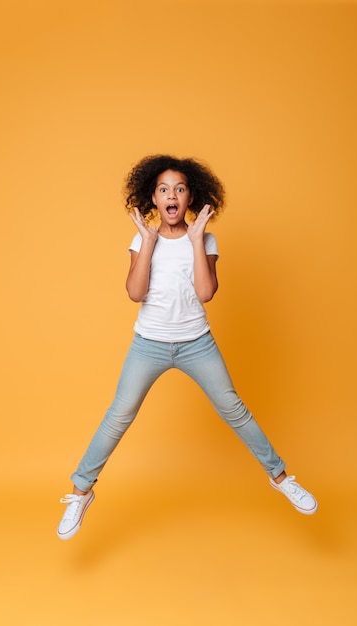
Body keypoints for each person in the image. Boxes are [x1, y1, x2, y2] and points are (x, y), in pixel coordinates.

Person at [57, 155, 317, 540]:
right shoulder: (141, 239)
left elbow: (206, 292)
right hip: (149, 344)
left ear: (191, 195)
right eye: (163, 189)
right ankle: (80, 492)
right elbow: (134, 293)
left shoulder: (206, 238)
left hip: (197, 343)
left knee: (234, 408)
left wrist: (197, 241)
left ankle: (280, 478)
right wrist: (147, 241)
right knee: (119, 414)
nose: (171, 194)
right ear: (154, 198)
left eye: (179, 188)